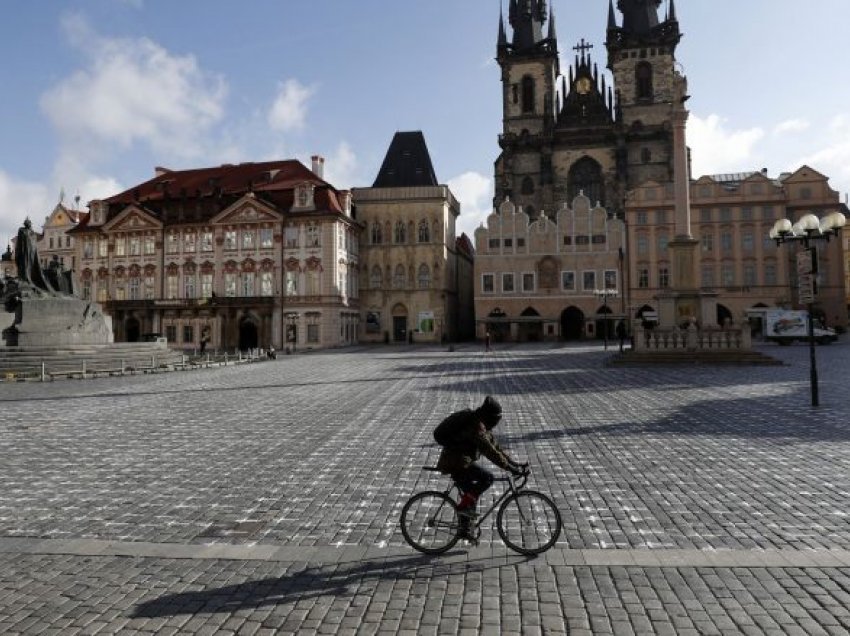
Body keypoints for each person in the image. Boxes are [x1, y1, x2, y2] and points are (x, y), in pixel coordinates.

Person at [435, 396, 526, 539]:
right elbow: (489, 451)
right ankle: (463, 514)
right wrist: (508, 467)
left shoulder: (480, 423)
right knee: (487, 478)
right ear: (489, 417)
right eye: (496, 420)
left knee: (471, 496)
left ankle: (464, 528)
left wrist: (514, 463)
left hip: (462, 461)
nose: (496, 423)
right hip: (455, 463)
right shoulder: (475, 426)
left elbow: (495, 447)